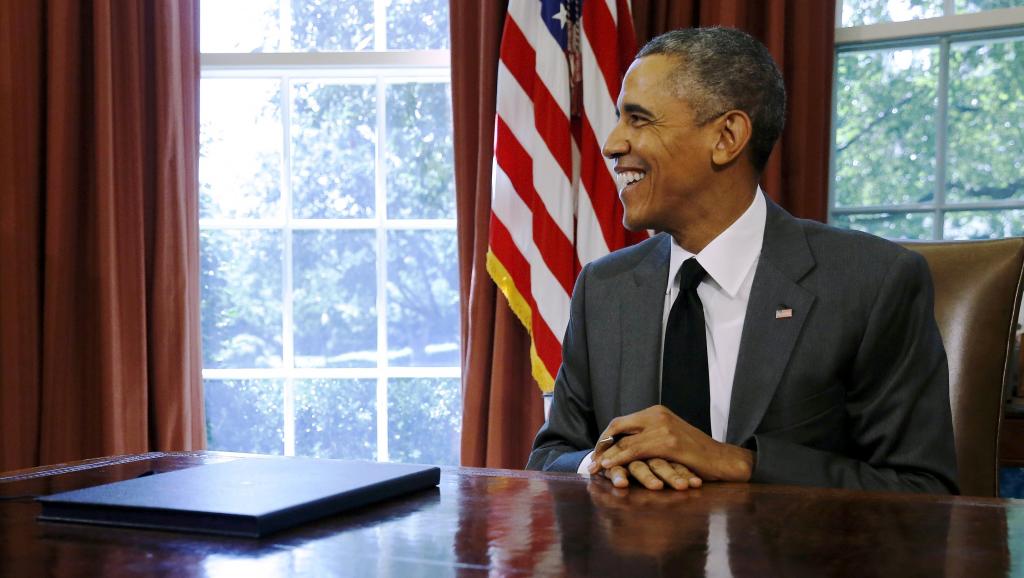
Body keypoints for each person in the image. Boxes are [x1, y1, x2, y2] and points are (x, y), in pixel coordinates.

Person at [525, 27, 958, 494]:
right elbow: (550, 459)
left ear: (727, 136)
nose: (612, 144)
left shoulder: (871, 283)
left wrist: (739, 463)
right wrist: (602, 461)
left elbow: (923, 491)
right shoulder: (603, 288)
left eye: (639, 119)